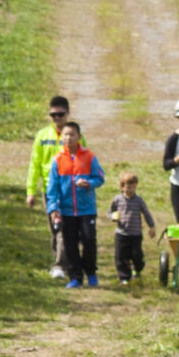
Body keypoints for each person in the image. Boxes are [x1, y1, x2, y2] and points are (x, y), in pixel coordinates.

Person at [46, 121, 105, 288]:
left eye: (72, 134)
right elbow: (52, 188)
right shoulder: (57, 160)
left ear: (79, 137)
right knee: (70, 244)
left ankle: (91, 272)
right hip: (66, 211)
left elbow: (100, 177)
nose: (69, 137)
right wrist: (53, 209)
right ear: (61, 137)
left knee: (89, 240)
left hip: (86, 209)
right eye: (65, 134)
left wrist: (89, 183)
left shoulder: (89, 157)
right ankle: (76, 277)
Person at [25, 95, 71, 277]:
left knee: (64, 229)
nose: (57, 118)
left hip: (69, 190)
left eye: (60, 114)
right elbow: (34, 164)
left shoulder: (74, 135)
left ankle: (60, 264)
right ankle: (62, 262)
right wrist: (30, 191)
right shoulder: (42, 136)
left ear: (68, 113)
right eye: (53, 115)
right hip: (49, 191)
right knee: (55, 229)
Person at [109, 171, 153, 285]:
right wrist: (113, 217)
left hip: (136, 234)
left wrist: (151, 226)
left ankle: (137, 269)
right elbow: (111, 211)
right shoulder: (117, 200)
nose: (131, 190)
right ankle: (124, 277)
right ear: (122, 187)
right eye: (128, 187)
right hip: (121, 233)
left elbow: (146, 213)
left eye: (134, 187)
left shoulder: (139, 200)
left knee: (136, 255)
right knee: (120, 256)